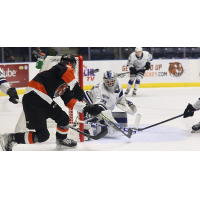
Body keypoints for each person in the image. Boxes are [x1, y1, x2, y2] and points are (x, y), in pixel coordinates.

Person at [0, 54, 103, 151]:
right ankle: (11, 138)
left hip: (45, 101)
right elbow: (66, 69)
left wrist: (86, 108)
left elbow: (69, 101)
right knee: (42, 136)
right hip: (34, 99)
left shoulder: (65, 81)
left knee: (64, 119)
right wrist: (77, 88)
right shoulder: (61, 68)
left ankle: (61, 140)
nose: (66, 64)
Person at [83, 70, 137, 136]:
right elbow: (99, 109)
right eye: (108, 82)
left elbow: (120, 98)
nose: (110, 84)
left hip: (105, 106)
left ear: (115, 80)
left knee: (131, 111)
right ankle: (86, 123)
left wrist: (128, 103)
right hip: (91, 106)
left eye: (112, 81)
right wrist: (115, 125)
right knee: (98, 115)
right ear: (104, 81)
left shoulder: (119, 83)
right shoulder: (100, 90)